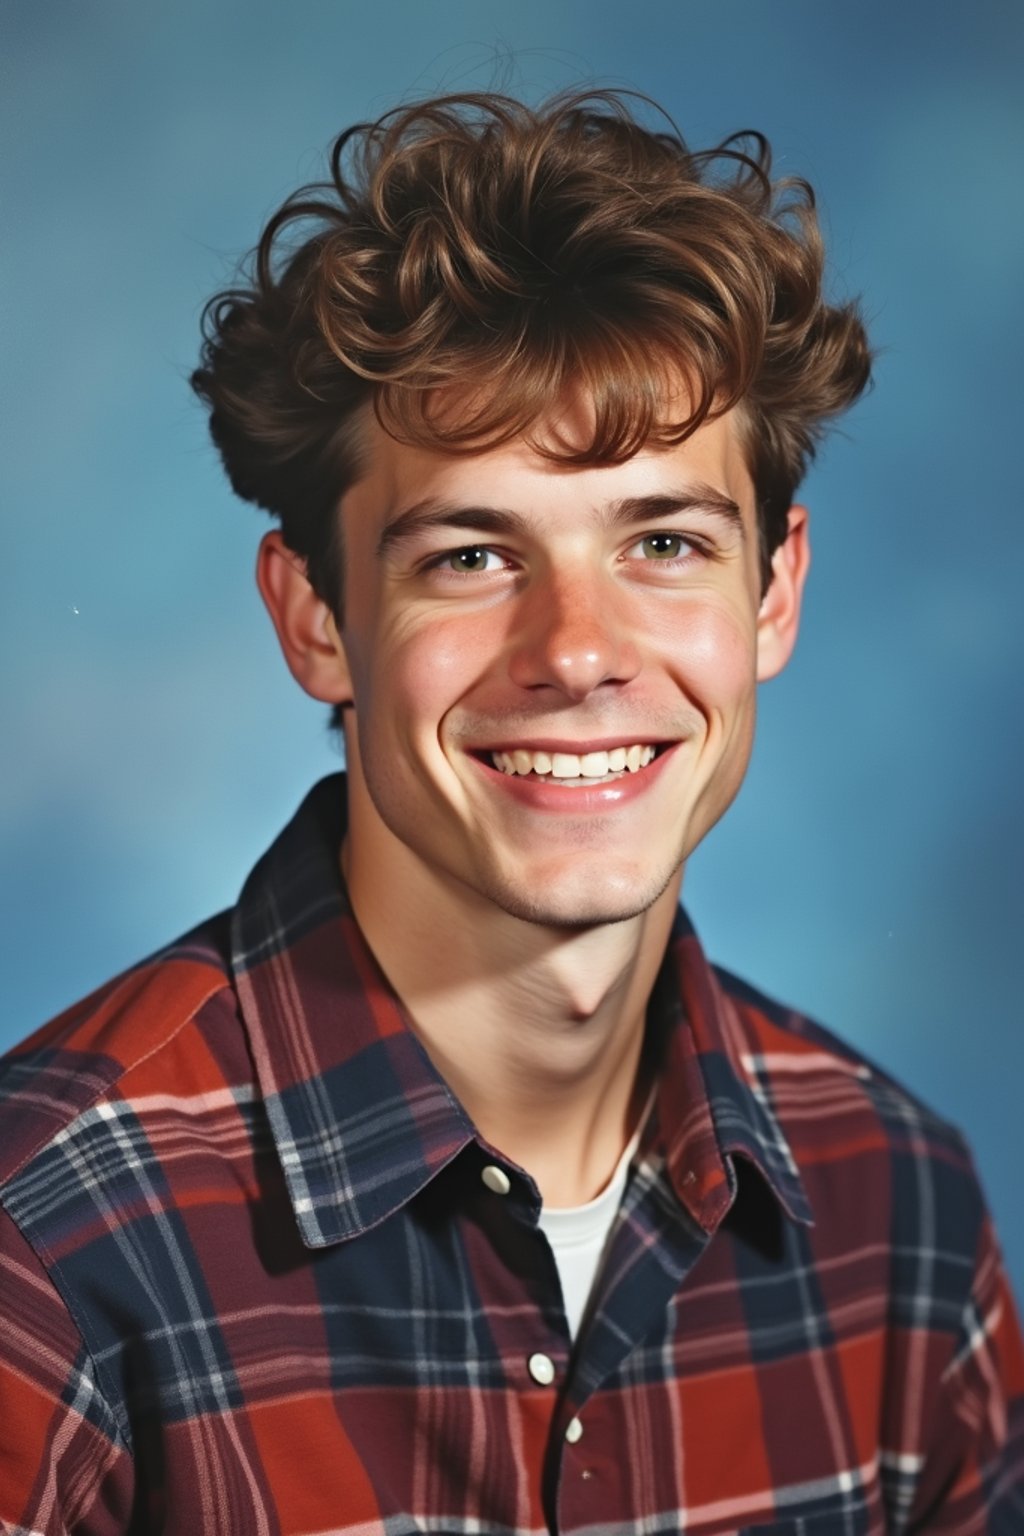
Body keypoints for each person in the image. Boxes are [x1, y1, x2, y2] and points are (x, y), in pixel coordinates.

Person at [1, 90, 1021, 1536]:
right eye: (474, 555)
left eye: (665, 541)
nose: (581, 649)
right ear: (316, 622)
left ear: (774, 593)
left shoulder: (896, 1212)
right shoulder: (42, 1251)